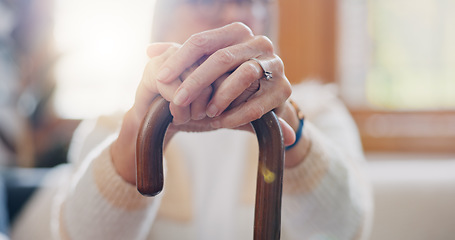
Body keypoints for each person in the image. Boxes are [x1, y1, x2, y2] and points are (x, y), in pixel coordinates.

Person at [11, 0, 373, 239]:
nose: (236, 13)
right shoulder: (111, 128)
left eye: (252, 2)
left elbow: (348, 229)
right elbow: (78, 235)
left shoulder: (321, 113)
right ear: (164, 26)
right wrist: (141, 125)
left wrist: (288, 122)